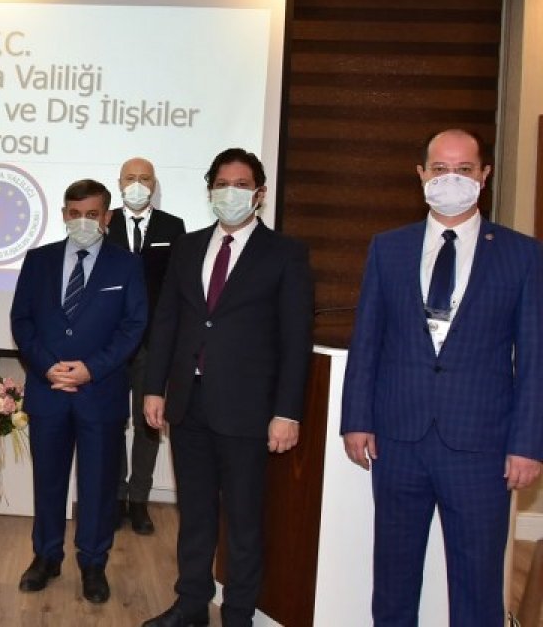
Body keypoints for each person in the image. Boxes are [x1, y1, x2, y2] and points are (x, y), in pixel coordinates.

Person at [341, 129, 543, 626]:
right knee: (393, 579)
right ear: (421, 174)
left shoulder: (522, 254)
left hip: (481, 447)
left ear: (484, 175)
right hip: (398, 440)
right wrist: (356, 420)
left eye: (464, 170)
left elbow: (534, 356)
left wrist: (528, 444)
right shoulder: (388, 249)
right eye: (440, 169)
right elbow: (368, 340)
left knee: (477, 586)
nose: (451, 179)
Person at [141, 148, 313, 627]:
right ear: (210, 191)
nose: (230, 192)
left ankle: (239, 613)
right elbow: (168, 320)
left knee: (243, 520)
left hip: (248, 411)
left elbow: (295, 340)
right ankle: (191, 604)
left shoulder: (285, 253)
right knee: (194, 514)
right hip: (188, 405)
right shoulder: (188, 247)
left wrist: (287, 412)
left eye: (241, 185)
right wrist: (154, 387)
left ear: (259, 193)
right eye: (221, 184)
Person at [11, 178, 148, 604]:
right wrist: (46, 365)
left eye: (92, 214)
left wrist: (91, 369)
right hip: (48, 389)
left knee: (98, 486)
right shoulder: (38, 260)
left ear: (107, 217)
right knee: (48, 481)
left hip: (100, 393)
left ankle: (93, 563)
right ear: (63, 214)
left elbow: (133, 327)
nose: (82, 221)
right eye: (75, 213)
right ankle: (46, 556)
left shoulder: (126, 265)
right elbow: (21, 321)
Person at [106, 157, 186, 535]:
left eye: (144, 178)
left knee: (148, 424)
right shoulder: (104, 223)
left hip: (153, 343)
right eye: (130, 178)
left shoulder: (173, 226)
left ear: (154, 184)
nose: (137, 184)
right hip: (110, 342)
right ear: (119, 182)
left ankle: (139, 500)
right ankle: (115, 497)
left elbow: (176, 288)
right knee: (111, 420)